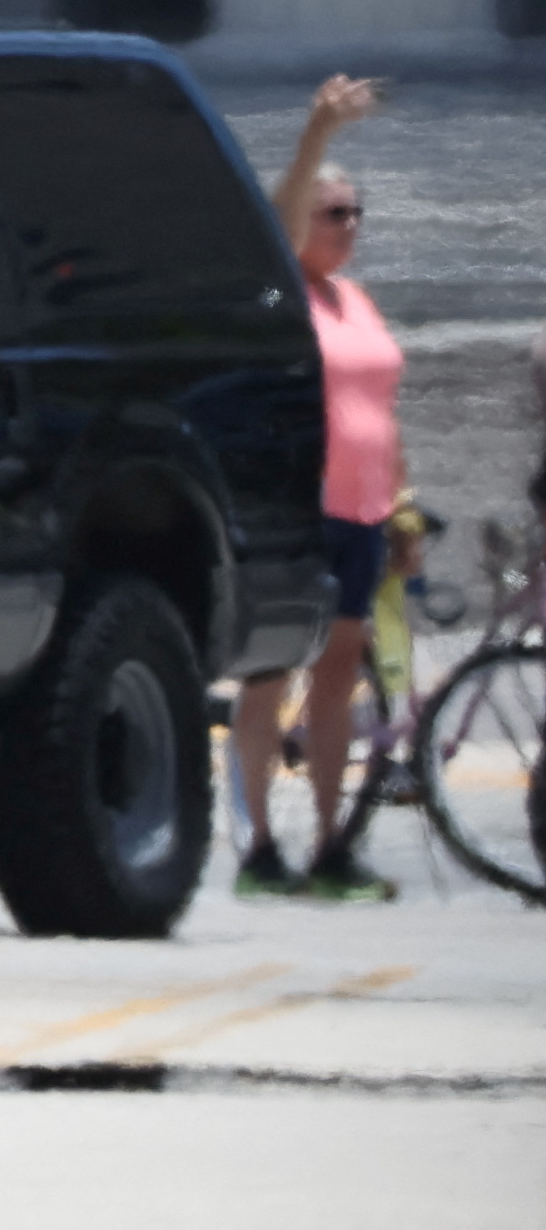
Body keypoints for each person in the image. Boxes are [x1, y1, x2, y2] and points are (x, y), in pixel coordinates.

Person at [232, 75, 402, 901]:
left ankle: (331, 843)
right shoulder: (277, 299)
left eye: (357, 213)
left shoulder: (356, 301)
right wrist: (317, 136)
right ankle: (257, 845)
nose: (350, 225)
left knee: (338, 675)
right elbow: (274, 218)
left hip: (364, 511)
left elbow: (379, 409)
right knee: (271, 673)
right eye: (335, 213)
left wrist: (401, 503)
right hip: (300, 508)